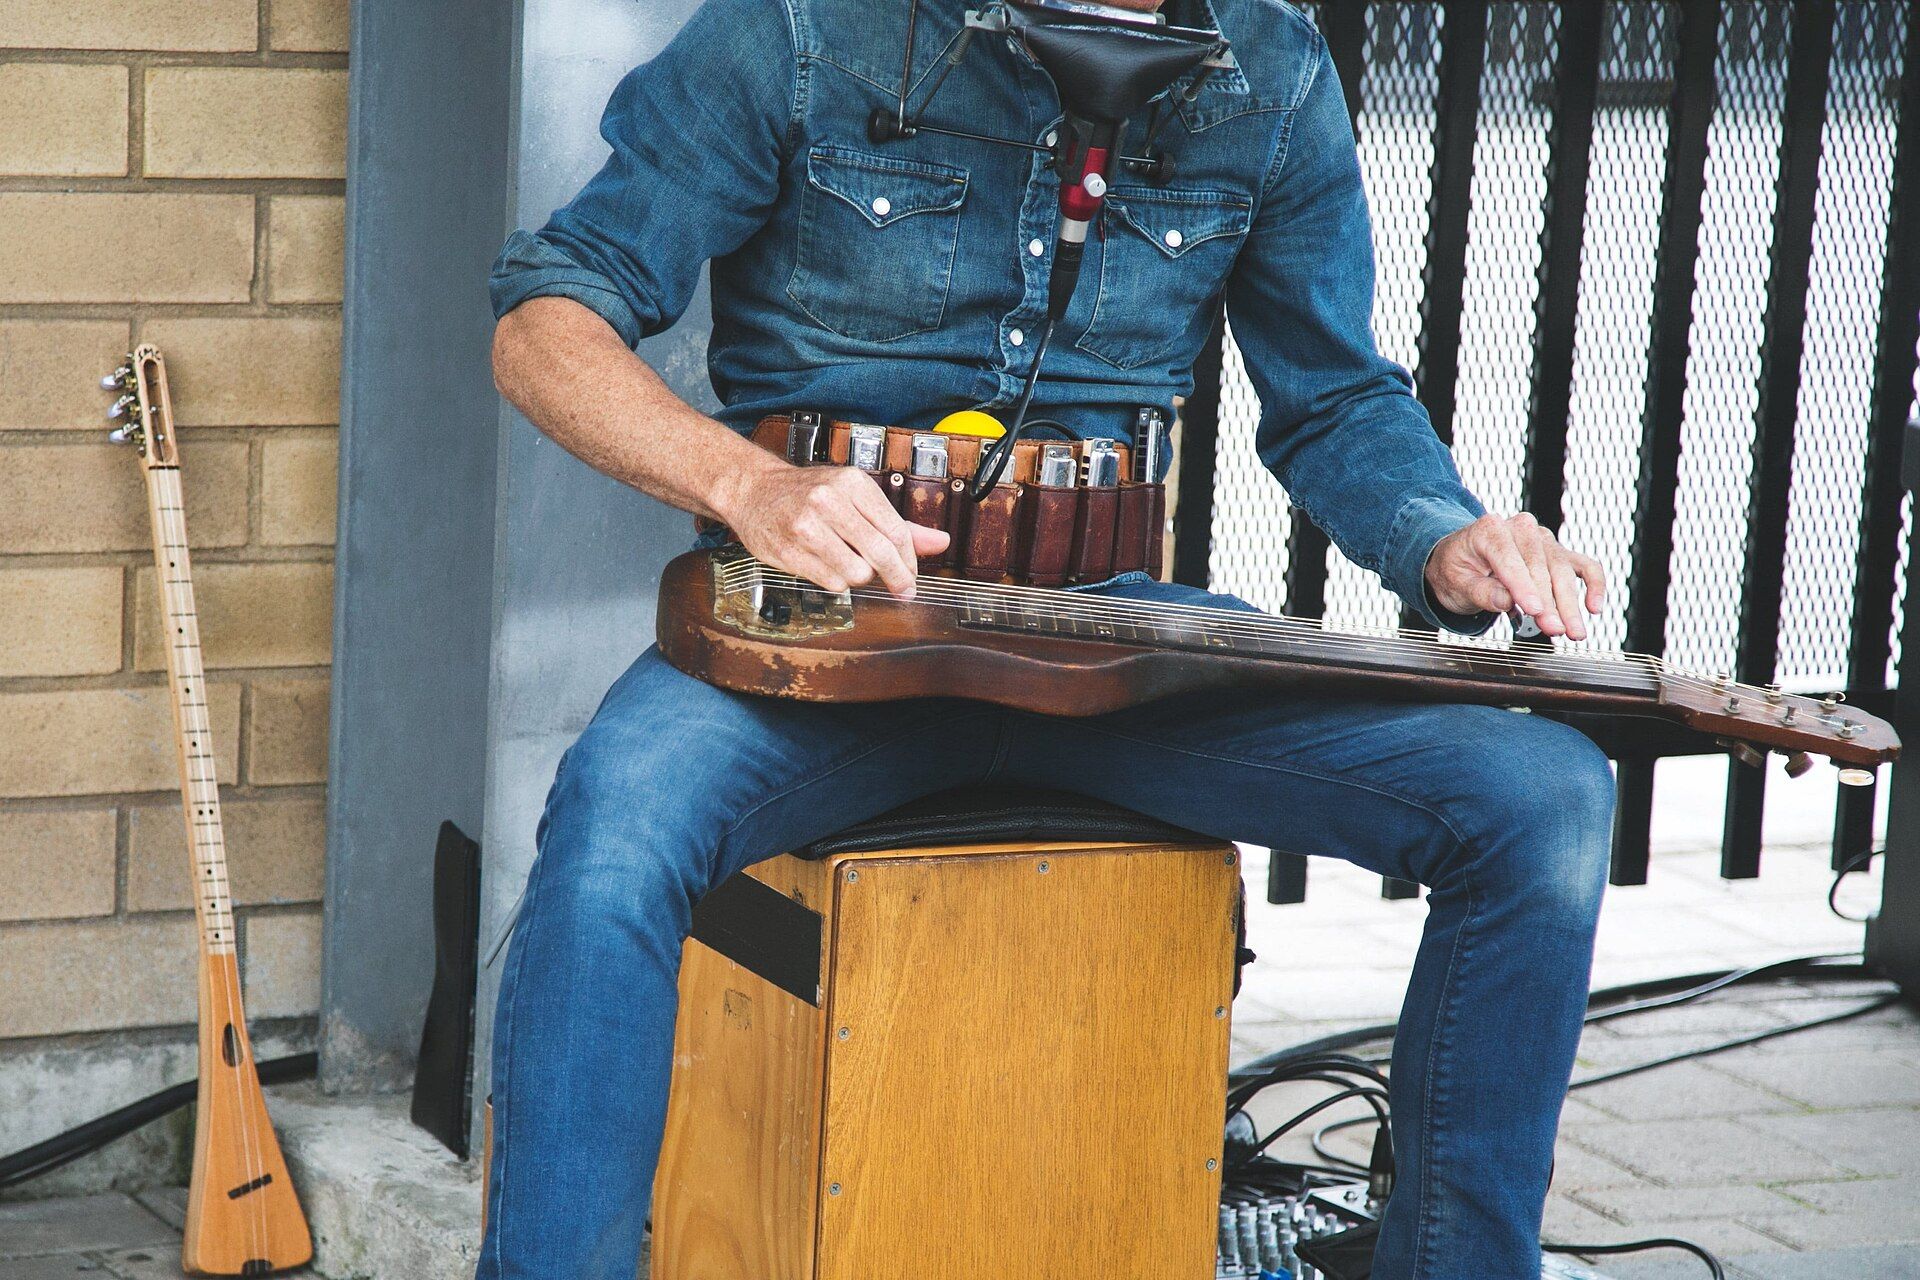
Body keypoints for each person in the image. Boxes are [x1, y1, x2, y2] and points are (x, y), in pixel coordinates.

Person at [479, 0, 1615, 1276]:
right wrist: (747, 487)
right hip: (824, 642)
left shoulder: (1273, 68)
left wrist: (1439, 537)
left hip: (1105, 634)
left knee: (1546, 794)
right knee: (611, 834)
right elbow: (545, 320)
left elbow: (1336, 397)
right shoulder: (793, 28)